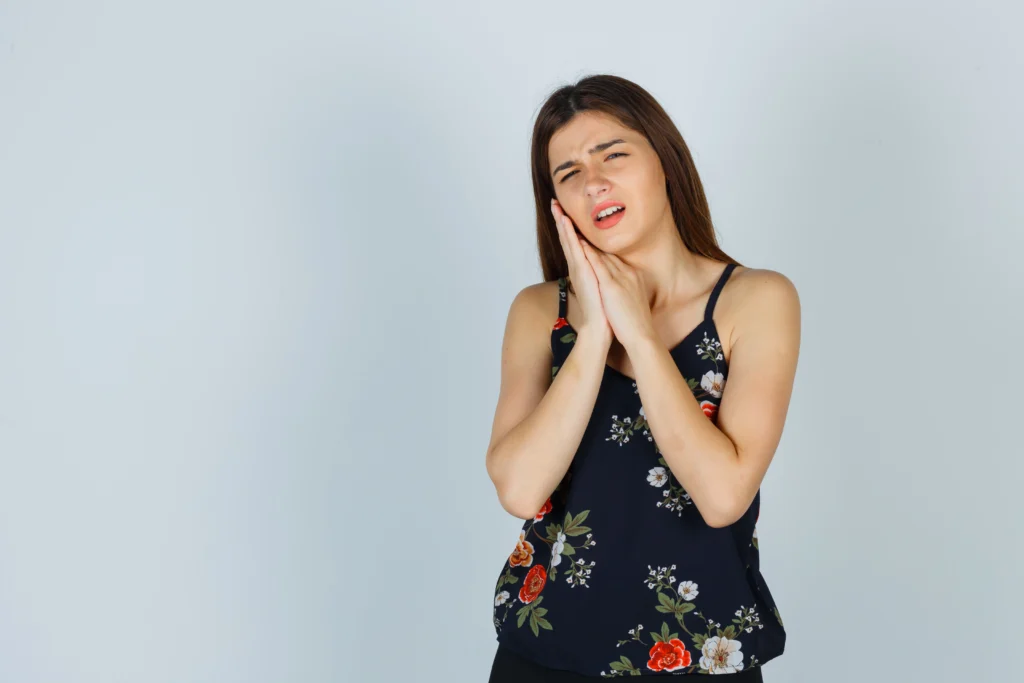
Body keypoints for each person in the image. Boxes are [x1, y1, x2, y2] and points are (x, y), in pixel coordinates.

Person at [484, 74, 801, 681]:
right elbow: (521, 490)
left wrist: (641, 334)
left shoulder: (755, 300)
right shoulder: (537, 311)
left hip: (703, 655)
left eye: (614, 155)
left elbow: (722, 497)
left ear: (665, 160)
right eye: (568, 172)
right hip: (542, 652)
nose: (593, 181)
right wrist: (597, 332)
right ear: (555, 204)